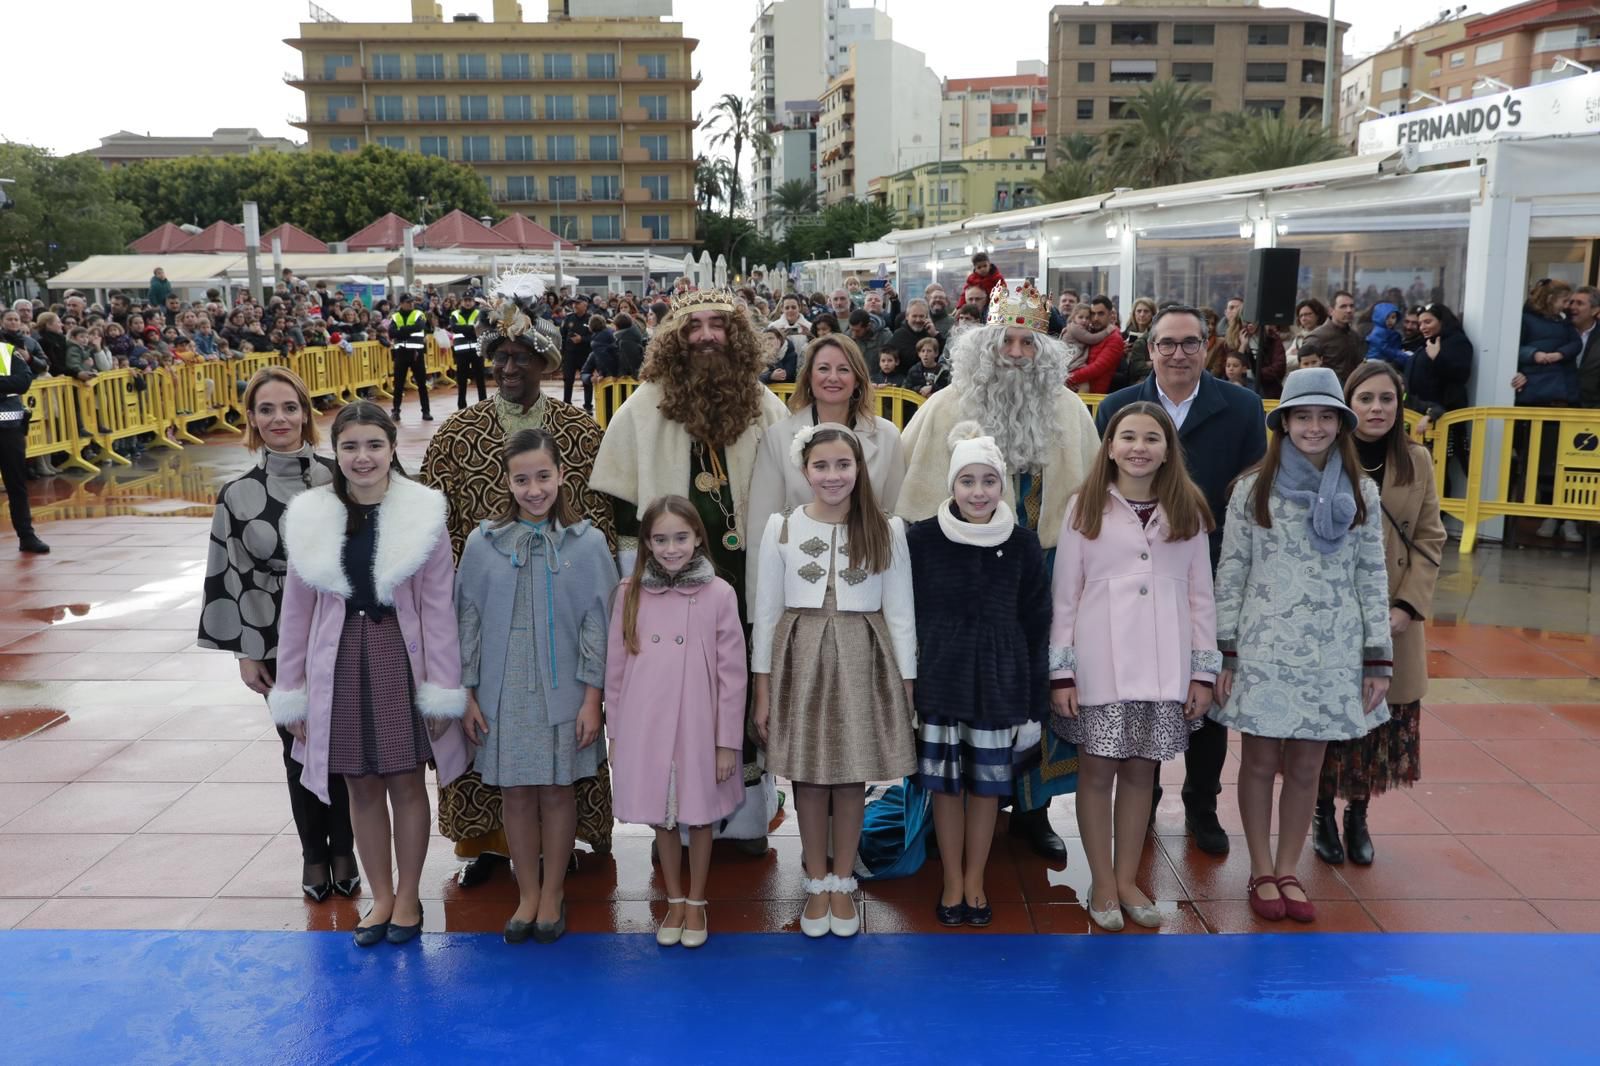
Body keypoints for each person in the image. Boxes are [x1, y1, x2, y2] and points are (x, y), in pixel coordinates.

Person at [420, 271, 617, 888]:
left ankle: (560, 857)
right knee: (488, 734)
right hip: (481, 613)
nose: (510, 367)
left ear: (546, 361)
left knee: (563, 747)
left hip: (561, 615)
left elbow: (603, 525)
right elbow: (431, 526)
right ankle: (490, 846)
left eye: (523, 356)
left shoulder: (582, 432)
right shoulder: (456, 434)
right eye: (500, 355)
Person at [897, 282, 1101, 860]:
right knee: (958, 699)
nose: (1016, 354)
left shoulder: (1068, 409)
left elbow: (1089, 497)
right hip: (962, 581)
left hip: (1046, 573)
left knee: (1039, 690)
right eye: (1006, 342)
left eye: (1027, 343)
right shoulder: (945, 407)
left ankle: (1033, 814)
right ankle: (947, 811)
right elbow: (910, 499)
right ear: (985, 345)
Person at [591, 286, 790, 853]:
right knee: (677, 704)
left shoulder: (763, 405)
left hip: (746, 589)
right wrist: (638, 591)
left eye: (718, 325)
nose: (706, 335)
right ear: (675, 338)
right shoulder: (641, 408)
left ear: (737, 336)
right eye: (694, 326)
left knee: (741, 693)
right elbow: (626, 511)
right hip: (667, 589)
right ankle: (675, 815)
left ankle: (748, 816)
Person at [271, 402, 472, 947]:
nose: (363, 457)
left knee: (406, 781)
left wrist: (441, 691)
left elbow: (438, 611)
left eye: (374, 445)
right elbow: (296, 614)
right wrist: (290, 692)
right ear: (335, 452)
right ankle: (380, 896)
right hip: (336, 661)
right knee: (359, 785)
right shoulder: (311, 515)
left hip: (400, 659)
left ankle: (408, 896)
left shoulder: (424, 513)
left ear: (392, 448)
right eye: (351, 446)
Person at [1211, 368, 1393, 924]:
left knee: (1308, 766)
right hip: (1264, 648)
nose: (1313, 427)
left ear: (1340, 424)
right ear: (1284, 422)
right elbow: (1232, 572)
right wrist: (1225, 650)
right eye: (1302, 416)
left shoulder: (1360, 491)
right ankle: (1260, 868)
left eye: (1324, 417)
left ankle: (1289, 867)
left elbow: (1371, 575)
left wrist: (1376, 656)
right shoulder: (1251, 489)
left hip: (1332, 651)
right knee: (1260, 759)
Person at [1095, 305, 1266, 856]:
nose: (1178, 353)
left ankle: (1201, 804)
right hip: (1131, 576)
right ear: (1150, 350)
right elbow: (1101, 487)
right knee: (1136, 690)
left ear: (1206, 345)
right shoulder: (1120, 407)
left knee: (1205, 694)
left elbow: (1250, 493)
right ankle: (1138, 808)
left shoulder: (1240, 408)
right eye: (1167, 343)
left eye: (1189, 343)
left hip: (1210, 573)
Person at [1051, 402, 1218, 930]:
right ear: (1110, 445)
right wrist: (1062, 671)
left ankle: (1128, 878)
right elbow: (1065, 597)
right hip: (1100, 667)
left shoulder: (1187, 508)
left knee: (1142, 772)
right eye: (1128, 437)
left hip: (1165, 668)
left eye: (1152, 438)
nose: (1139, 447)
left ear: (1169, 449)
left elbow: (1201, 598)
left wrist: (1202, 671)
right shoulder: (1085, 507)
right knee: (1097, 773)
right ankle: (1102, 880)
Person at [752, 424, 916, 938]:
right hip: (800, 656)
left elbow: (902, 612)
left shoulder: (886, 529)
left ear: (859, 468)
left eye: (843, 465)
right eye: (821, 466)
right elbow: (767, 613)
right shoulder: (781, 527)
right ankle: (815, 873)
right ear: (804, 471)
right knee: (807, 774)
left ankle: (843, 879)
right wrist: (763, 689)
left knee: (850, 773)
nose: (832, 475)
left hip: (861, 656)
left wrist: (906, 684)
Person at [456, 429, 618, 944]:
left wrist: (593, 697)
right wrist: (468, 693)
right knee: (518, 792)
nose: (533, 489)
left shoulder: (587, 544)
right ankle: (526, 890)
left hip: (564, 689)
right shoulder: (484, 545)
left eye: (542, 476)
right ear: (506, 481)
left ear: (561, 476)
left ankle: (553, 891)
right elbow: (467, 621)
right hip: (503, 689)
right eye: (522, 479)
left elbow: (600, 623)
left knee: (556, 788)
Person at [198, 367, 354, 899]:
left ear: (306, 414)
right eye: (267, 409)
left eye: (289, 407)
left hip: (342, 627)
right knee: (298, 746)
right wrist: (245, 652)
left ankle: (345, 849)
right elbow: (228, 573)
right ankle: (314, 854)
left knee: (346, 746)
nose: (279, 419)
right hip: (276, 637)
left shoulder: (340, 477)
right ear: (252, 420)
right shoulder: (237, 494)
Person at [907, 423, 1049, 927]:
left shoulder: (1024, 545)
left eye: (989, 481)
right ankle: (950, 880)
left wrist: (1034, 705)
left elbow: (1037, 625)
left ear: (1002, 486)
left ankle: (975, 879)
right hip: (941, 680)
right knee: (945, 787)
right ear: (951, 485)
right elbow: (906, 618)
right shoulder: (922, 539)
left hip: (999, 681)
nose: (978, 492)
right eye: (967, 481)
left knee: (988, 787)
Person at [1313, 362, 1444, 868]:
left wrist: (1408, 607)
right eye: (1365, 399)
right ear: (1349, 403)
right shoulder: (1323, 455)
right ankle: (1322, 811)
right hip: (1332, 614)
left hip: (1392, 615)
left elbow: (1431, 536)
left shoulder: (1416, 459)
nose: (1376, 409)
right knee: (1327, 718)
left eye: (1386, 399)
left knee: (1376, 722)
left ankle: (1358, 814)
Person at [606, 496, 747, 949]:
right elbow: (616, 671)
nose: (671, 548)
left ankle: (698, 901)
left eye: (681, 537)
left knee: (699, 813)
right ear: (646, 542)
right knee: (662, 818)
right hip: (646, 723)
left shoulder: (719, 594)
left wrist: (727, 742)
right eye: (661, 539)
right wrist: (617, 734)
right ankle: (674, 896)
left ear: (698, 539)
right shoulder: (629, 593)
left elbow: (732, 676)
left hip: (697, 723)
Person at [746, 334, 906, 618]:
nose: (833, 377)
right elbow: (762, 533)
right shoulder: (779, 438)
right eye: (823, 368)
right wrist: (760, 617)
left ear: (857, 379)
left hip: (866, 594)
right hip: (799, 594)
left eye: (844, 369)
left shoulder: (888, 437)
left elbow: (896, 524)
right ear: (808, 377)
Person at [1512, 278, 1582, 544]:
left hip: (1563, 399)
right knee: (1536, 460)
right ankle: (1541, 514)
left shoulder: (1562, 323)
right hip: (1537, 398)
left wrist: (1559, 355)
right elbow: (1513, 347)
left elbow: (1574, 344)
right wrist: (1534, 356)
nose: (1569, 306)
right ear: (1550, 298)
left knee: (1562, 461)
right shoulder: (1526, 320)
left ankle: (1562, 516)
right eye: (1565, 300)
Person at [0, 339, 48, 553]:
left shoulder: (6, 351)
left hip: (9, 429)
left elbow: (24, 381)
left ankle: (27, 536)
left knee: (16, 485)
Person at [387, 293, 431, 422]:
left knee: (422, 384)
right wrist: (407, 331)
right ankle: (396, 411)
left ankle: (426, 411)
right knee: (398, 384)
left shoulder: (419, 314)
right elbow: (391, 333)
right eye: (407, 302)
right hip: (401, 353)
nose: (411, 304)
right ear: (401, 303)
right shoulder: (395, 316)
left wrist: (401, 331)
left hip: (416, 353)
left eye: (412, 302)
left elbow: (419, 327)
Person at [1068, 296, 1124, 395]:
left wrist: (1068, 378)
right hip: (1076, 391)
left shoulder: (1115, 338)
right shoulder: (1090, 332)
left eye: (1101, 314)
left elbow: (1096, 368)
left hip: (1092, 398)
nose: (1095, 318)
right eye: (1093, 314)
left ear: (1110, 315)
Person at [1308, 291, 1365, 383]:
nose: (1349, 310)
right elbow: (1307, 370)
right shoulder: (1317, 337)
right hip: (1326, 389)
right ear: (1331, 311)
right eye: (1343, 306)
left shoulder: (1355, 336)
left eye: (1351, 306)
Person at [449, 299, 487, 409]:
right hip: (461, 352)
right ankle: (461, 406)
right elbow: (454, 328)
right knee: (461, 380)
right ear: (461, 302)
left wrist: (464, 330)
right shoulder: (455, 314)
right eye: (465, 300)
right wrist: (471, 330)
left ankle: (483, 404)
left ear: (473, 302)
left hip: (477, 351)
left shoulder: (479, 313)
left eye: (470, 300)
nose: (467, 302)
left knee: (480, 379)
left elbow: (480, 328)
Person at [561, 297, 594, 413]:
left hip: (585, 355)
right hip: (570, 355)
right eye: (574, 303)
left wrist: (582, 339)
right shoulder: (569, 318)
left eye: (578, 303)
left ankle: (588, 405)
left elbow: (594, 337)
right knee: (568, 379)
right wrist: (563, 353)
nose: (575, 305)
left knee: (586, 380)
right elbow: (563, 336)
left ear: (585, 305)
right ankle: (566, 403)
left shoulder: (591, 319)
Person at [1571, 285, 1600, 409]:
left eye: (1579, 303)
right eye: (1571, 302)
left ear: (1594, 310)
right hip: (1559, 407)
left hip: (1592, 410)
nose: (1572, 307)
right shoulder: (1558, 331)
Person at [1285, 298, 1328, 370]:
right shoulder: (1299, 337)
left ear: (1318, 315)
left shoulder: (1324, 334)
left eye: (1308, 314)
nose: (1304, 318)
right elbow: (1285, 361)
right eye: (1301, 315)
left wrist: (1299, 355)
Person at [1364, 302, 1409, 370]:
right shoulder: (1378, 332)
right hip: (1375, 361)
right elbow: (1384, 348)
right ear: (1380, 317)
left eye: (1393, 317)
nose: (1390, 320)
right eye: (1387, 317)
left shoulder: (1388, 331)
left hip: (1382, 361)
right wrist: (1400, 354)